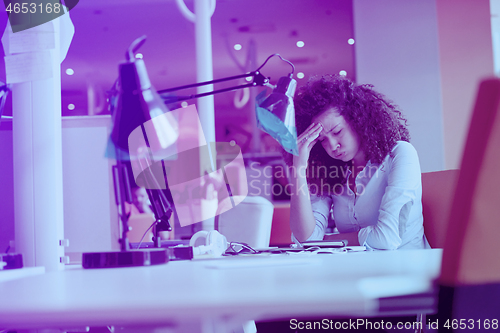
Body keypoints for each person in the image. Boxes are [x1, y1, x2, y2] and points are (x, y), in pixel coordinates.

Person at [285, 74, 429, 250]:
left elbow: (387, 238)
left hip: (406, 270)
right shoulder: (333, 172)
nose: (332, 146)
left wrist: (327, 241)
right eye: (322, 140)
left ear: (357, 120)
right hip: (358, 270)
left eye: (337, 132)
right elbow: (305, 239)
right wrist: (299, 169)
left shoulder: (400, 154)